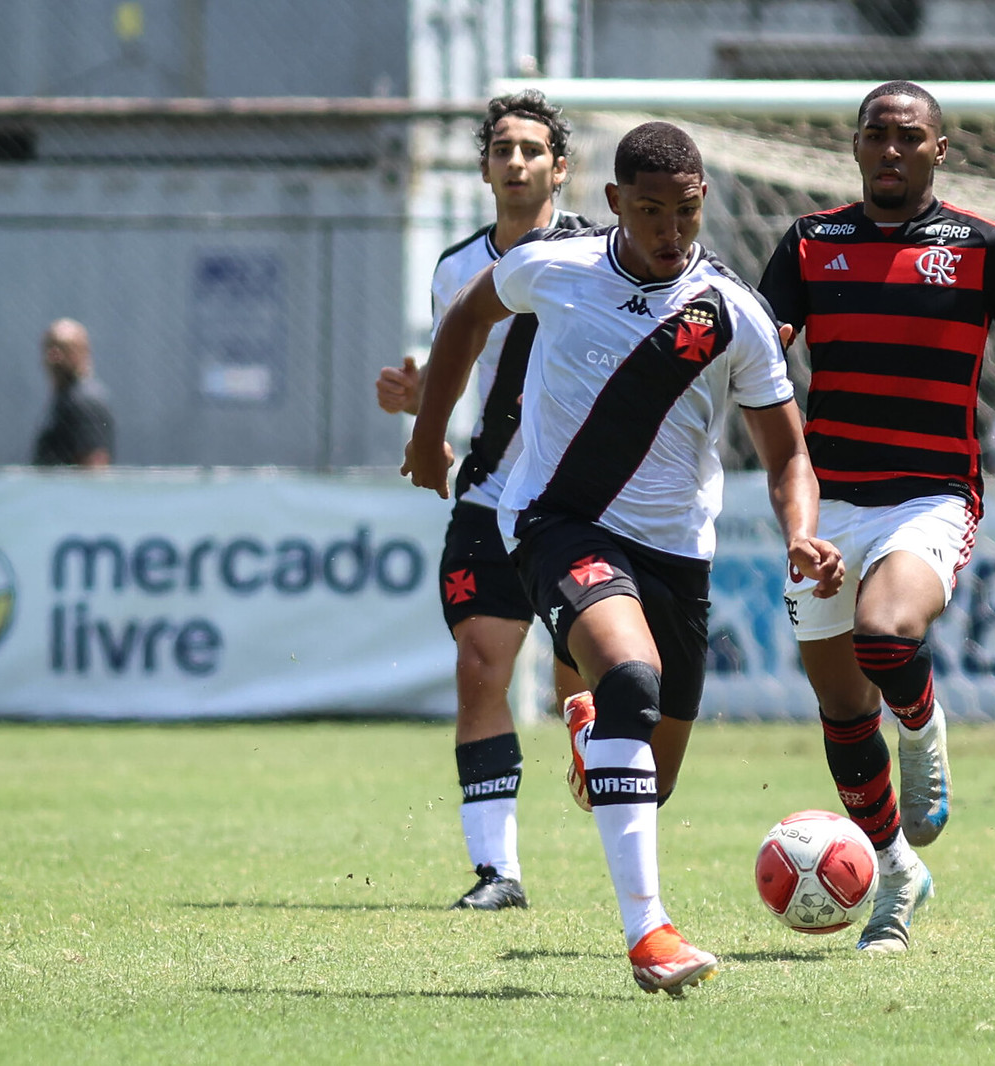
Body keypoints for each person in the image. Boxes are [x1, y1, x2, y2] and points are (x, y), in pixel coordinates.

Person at [401, 121, 844, 995]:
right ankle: (650, 935)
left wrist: (800, 529)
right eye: (648, 212)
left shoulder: (734, 313)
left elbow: (788, 454)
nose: (668, 231)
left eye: (683, 212)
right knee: (629, 684)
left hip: (678, 552)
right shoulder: (554, 268)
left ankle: (592, 732)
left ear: (702, 201)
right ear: (613, 203)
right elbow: (464, 320)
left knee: (650, 773)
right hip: (555, 523)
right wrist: (427, 438)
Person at [758, 80, 995, 953]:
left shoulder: (983, 247)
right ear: (855, 147)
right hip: (827, 500)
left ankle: (925, 728)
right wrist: (793, 510)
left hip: (929, 496)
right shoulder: (808, 243)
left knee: (885, 636)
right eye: (876, 135)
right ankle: (896, 872)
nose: (890, 150)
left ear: (941, 149)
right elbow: (757, 368)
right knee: (839, 712)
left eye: (909, 137)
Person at [375, 90, 593, 912]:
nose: (516, 162)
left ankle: (586, 726)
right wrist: (416, 399)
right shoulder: (455, 269)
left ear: (559, 168)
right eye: (502, 149)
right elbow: (457, 368)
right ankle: (497, 870)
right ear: (484, 167)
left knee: (585, 682)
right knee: (479, 668)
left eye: (532, 150)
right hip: (489, 496)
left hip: (581, 500)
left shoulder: (601, 255)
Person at [33, 318, 113, 467]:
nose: (54, 357)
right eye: (49, 348)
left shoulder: (86, 402)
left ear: (83, 352)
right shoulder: (65, 398)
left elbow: (95, 464)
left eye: (64, 349)